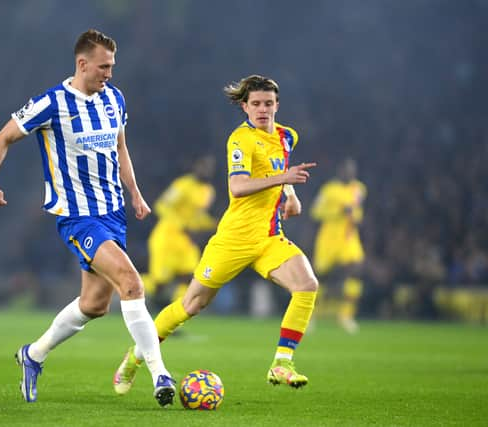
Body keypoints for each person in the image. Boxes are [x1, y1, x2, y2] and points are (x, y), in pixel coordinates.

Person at [0, 29, 176, 406]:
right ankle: (160, 375)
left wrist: (134, 193)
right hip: (77, 218)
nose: (110, 74)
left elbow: (121, 148)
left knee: (94, 305)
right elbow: (2, 138)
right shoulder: (51, 103)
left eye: (113, 67)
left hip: (113, 213)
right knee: (131, 283)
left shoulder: (114, 99)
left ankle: (33, 354)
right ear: (82, 63)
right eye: (104, 66)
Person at [113, 74, 319, 395]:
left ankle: (282, 361)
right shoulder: (240, 140)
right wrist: (284, 178)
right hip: (234, 239)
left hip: (268, 237)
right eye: (256, 104)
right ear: (244, 106)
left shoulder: (286, 136)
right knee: (191, 305)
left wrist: (290, 194)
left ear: (277, 105)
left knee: (306, 285)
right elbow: (237, 187)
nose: (262, 109)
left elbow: (279, 168)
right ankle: (135, 357)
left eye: (268, 103)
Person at [141, 155, 217, 308]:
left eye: (209, 168)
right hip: (167, 238)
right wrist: (180, 224)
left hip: (185, 241)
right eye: (203, 167)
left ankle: (175, 314)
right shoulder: (182, 185)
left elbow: (197, 217)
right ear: (195, 168)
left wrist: (213, 224)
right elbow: (161, 205)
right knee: (159, 284)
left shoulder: (208, 191)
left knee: (191, 277)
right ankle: (129, 283)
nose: (205, 171)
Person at [310, 157, 366, 333]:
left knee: (355, 269)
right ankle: (310, 316)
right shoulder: (329, 190)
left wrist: (356, 217)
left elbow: (358, 209)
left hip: (349, 238)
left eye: (352, 170)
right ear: (339, 172)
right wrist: (338, 211)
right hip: (328, 239)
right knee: (320, 277)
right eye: (346, 170)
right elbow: (315, 212)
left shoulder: (359, 188)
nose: (350, 173)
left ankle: (346, 315)